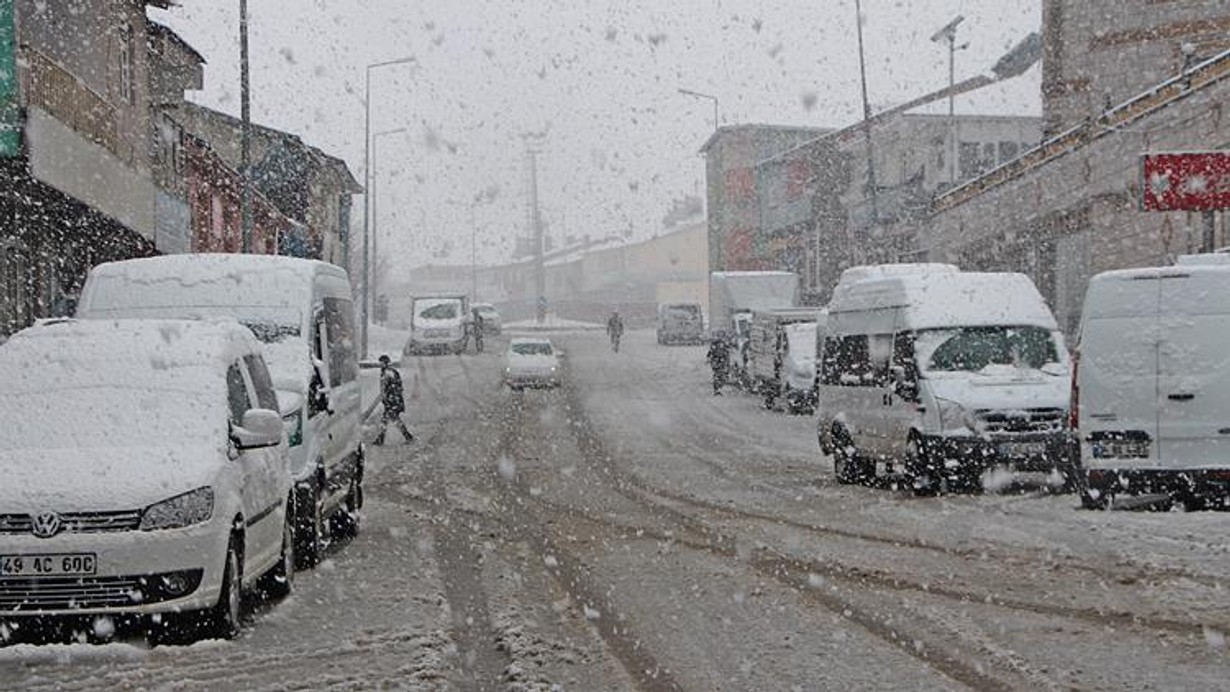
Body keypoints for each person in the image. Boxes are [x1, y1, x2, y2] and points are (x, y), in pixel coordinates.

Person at [374, 354, 414, 445]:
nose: (380, 364)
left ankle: (382, 438)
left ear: (386, 363)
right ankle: (406, 436)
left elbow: (393, 387)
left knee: (390, 419)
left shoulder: (388, 372)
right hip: (392, 400)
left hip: (392, 401)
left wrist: (388, 399)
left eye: (382, 363)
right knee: (390, 419)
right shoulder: (388, 371)